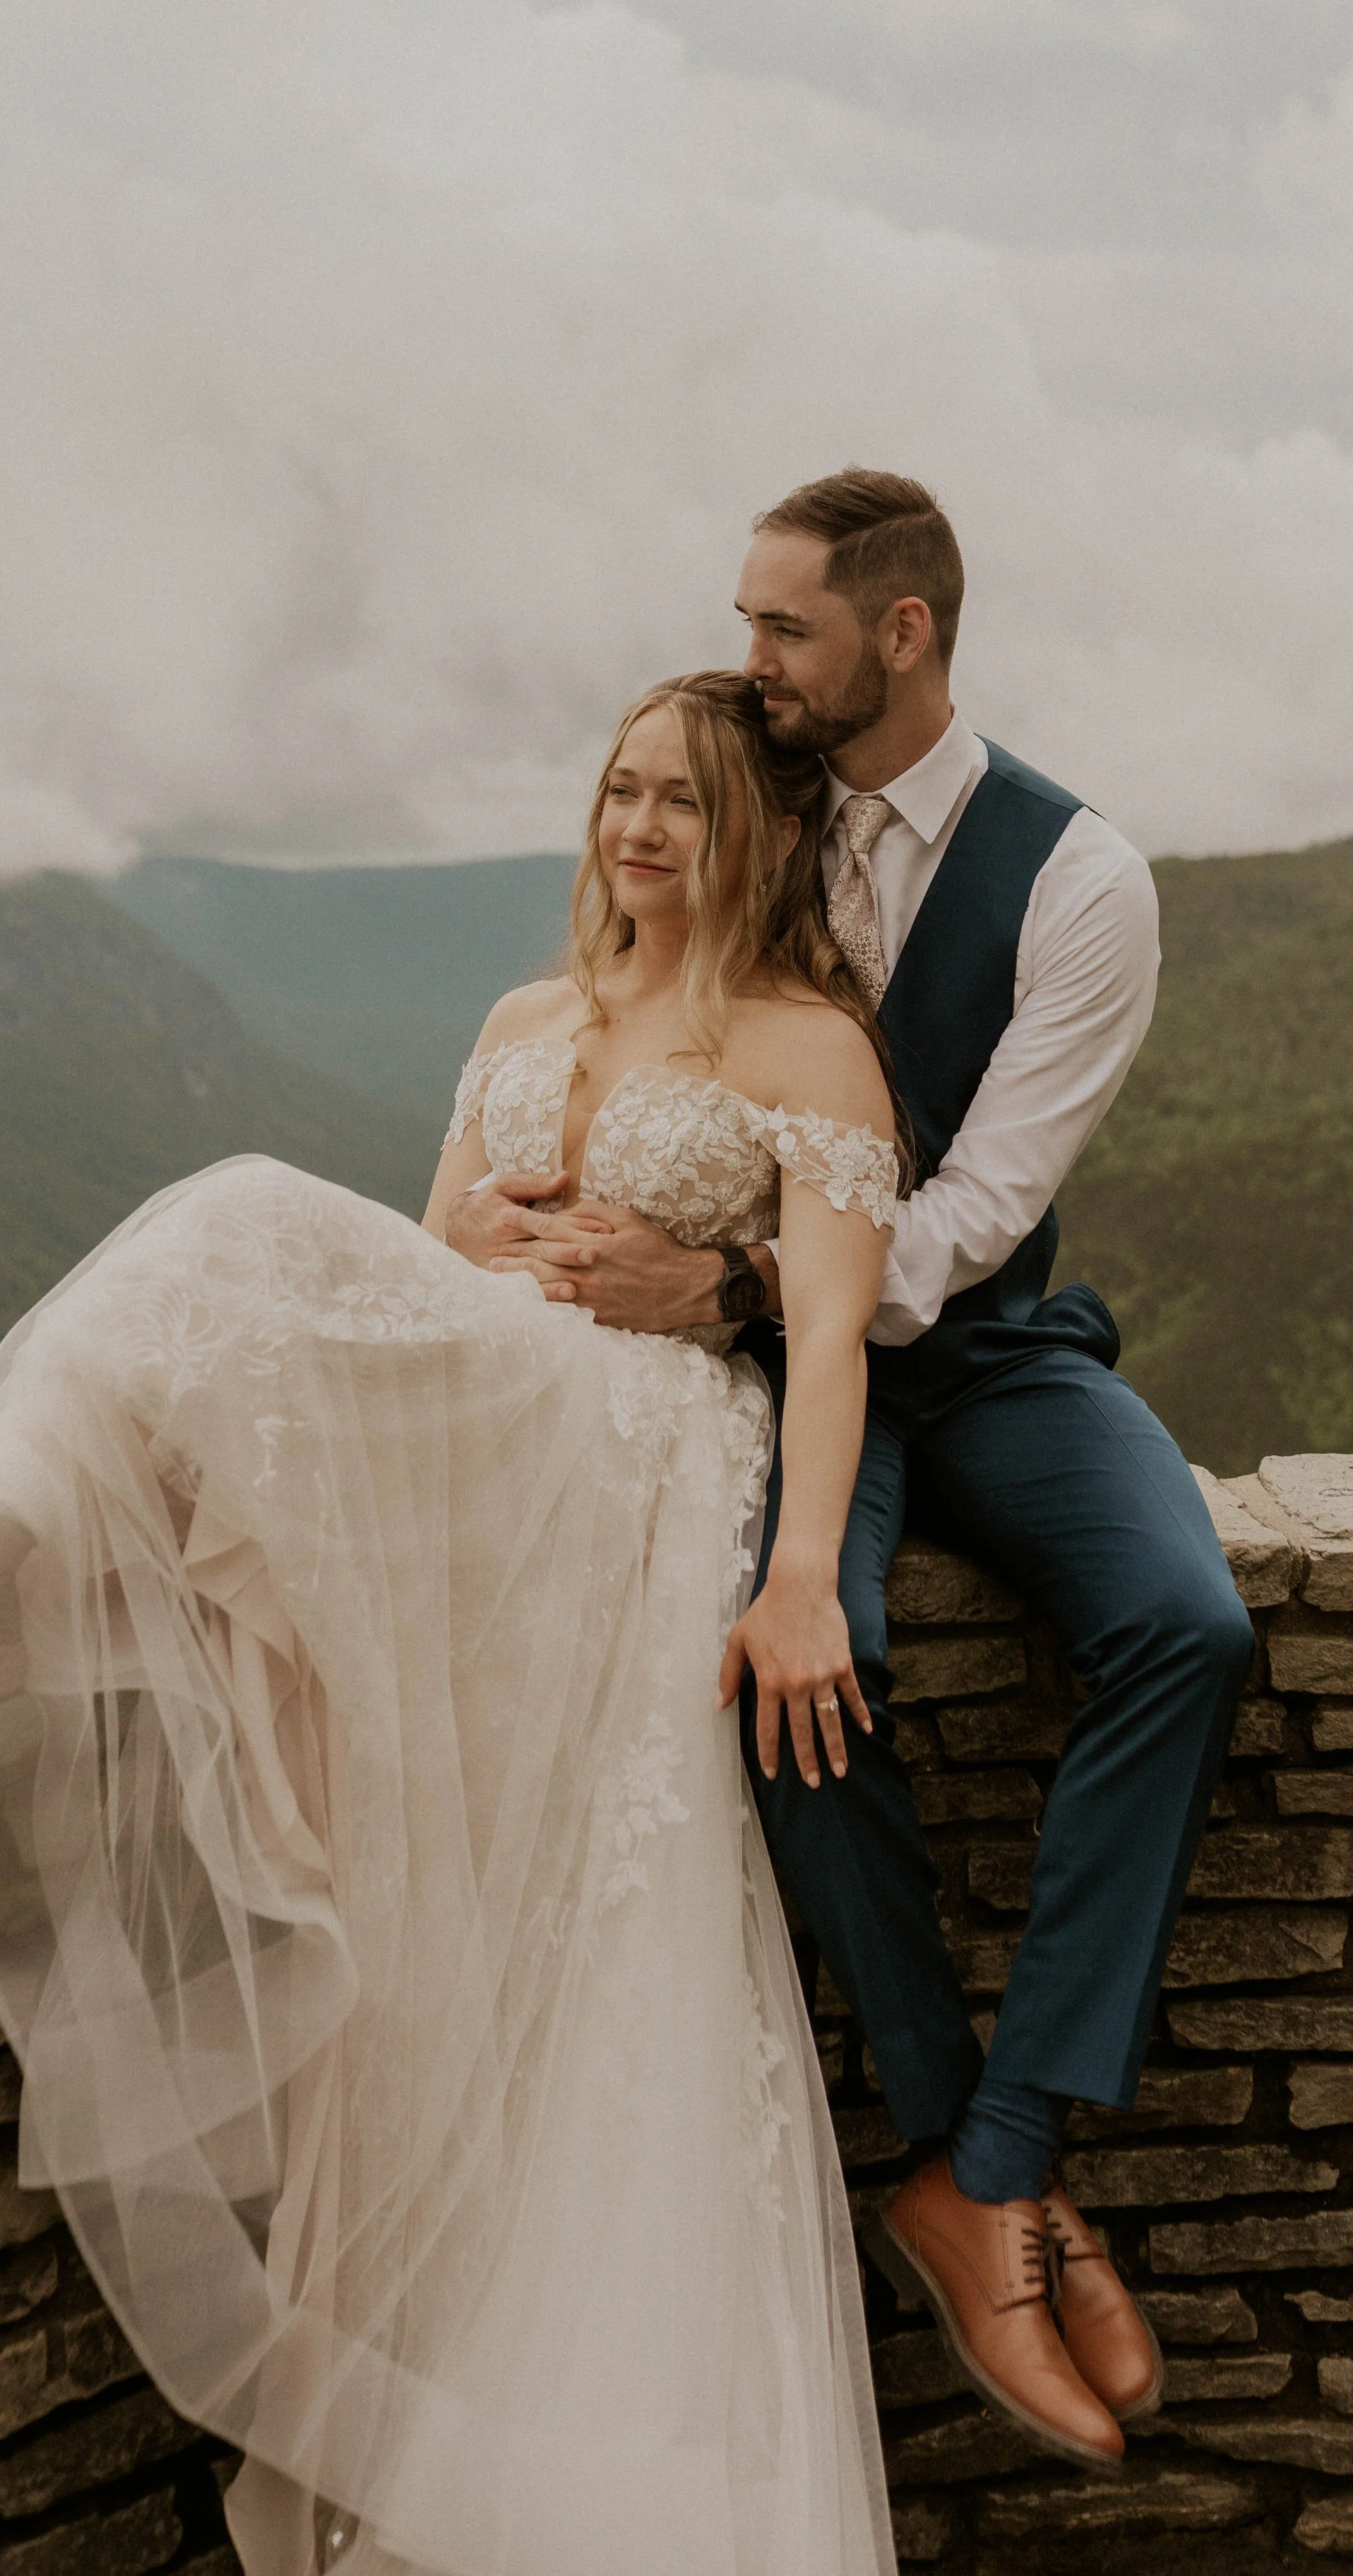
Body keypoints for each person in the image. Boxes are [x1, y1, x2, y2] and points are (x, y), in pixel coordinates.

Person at [0, 672, 904, 2575]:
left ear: (762, 832)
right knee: (218, 1292)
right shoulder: (523, 1015)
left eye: (683, 803)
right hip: (500, 1406)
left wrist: (796, 1580)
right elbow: (420, 1266)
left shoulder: (810, 1049)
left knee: (225, 1221)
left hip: (638, 1454)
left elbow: (837, 1331)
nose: (635, 829)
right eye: (618, 790)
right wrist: (491, 1268)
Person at [452, 469, 1253, 2471]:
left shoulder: (1077, 882)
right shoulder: (750, 780)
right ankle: (945, 2135)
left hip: (963, 1351)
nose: (750, 661)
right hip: (741, 1358)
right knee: (793, 1665)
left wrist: (732, 1281)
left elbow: (977, 1204)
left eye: (782, 628)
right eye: (740, 625)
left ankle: (997, 2154)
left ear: (898, 634)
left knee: (1185, 1619)